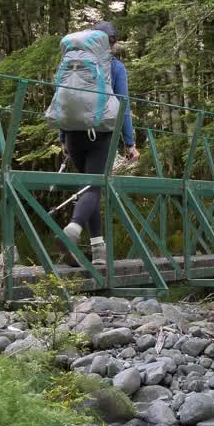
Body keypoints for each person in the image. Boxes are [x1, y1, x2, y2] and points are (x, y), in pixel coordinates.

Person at [60, 21, 138, 263]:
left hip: (73, 133)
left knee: (86, 188)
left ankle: (98, 251)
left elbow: (64, 98)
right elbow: (122, 104)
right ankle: (73, 229)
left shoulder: (71, 64)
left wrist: (63, 136)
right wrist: (130, 142)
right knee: (93, 188)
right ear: (111, 43)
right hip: (101, 133)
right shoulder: (115, 67)